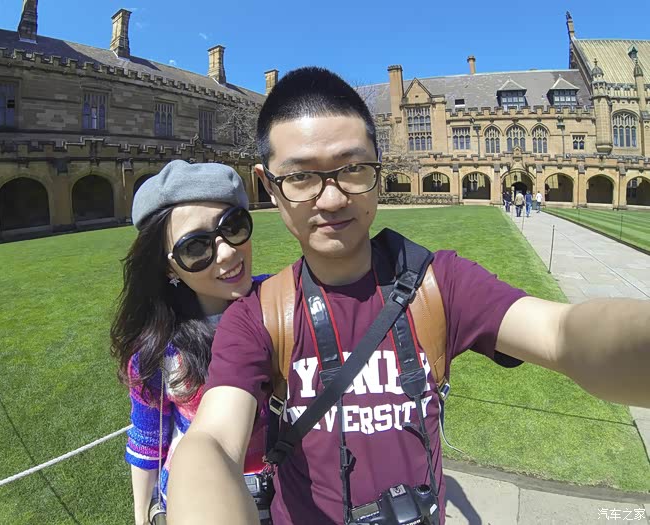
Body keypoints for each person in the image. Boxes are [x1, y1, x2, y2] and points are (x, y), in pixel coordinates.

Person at [167, 67, 650, 525]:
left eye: (353, 168)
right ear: (269, 187)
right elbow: (212, 441)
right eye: (300, 177)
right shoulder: (258, 317)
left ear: (378, 167)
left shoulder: (440, 284)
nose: (332, 198)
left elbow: (562, 333)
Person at [110, 160, 269, 525]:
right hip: (198, 504)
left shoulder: (283, 303)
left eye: (233, 226)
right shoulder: (160, 348)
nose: (227, 253)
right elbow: (148, 439)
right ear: (168, 266)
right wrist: (142, 516)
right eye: (196, 247)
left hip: (291, 492)